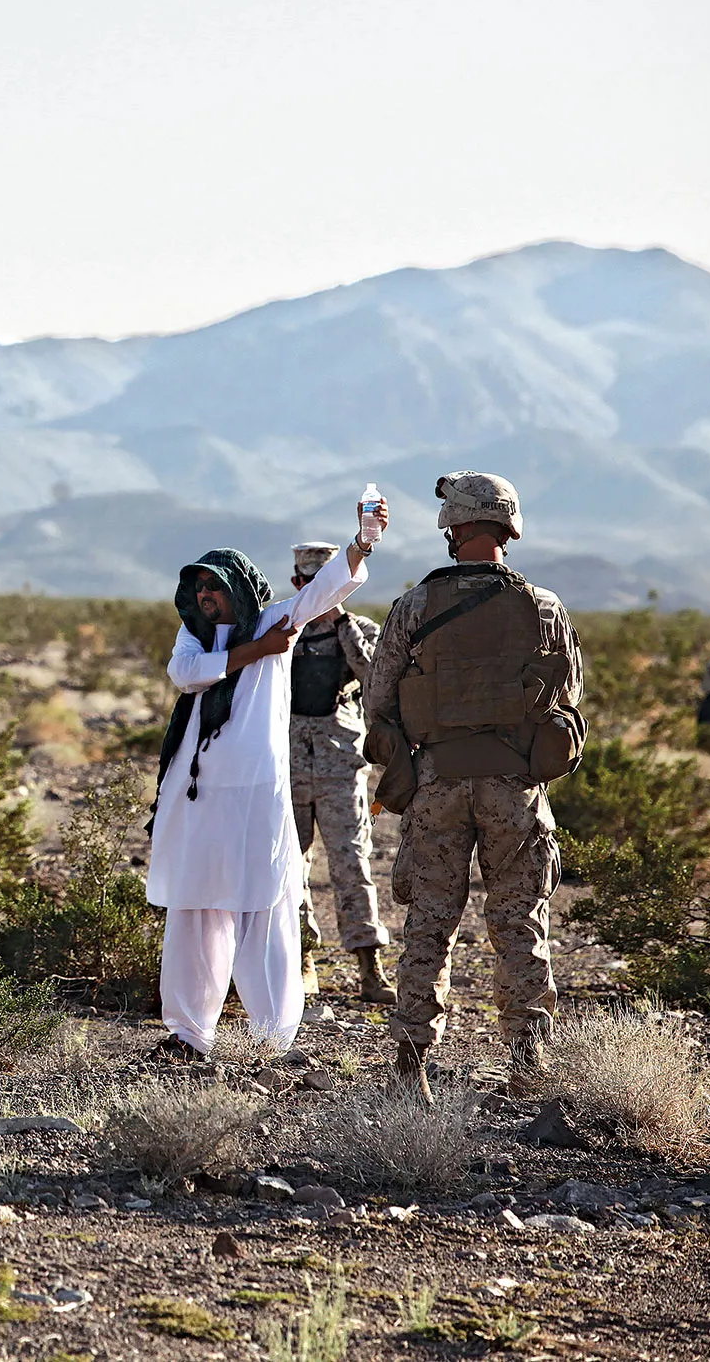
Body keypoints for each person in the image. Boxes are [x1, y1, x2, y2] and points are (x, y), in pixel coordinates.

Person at [361, 472, 584, 1101]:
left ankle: (410, 1066)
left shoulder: (413, 607)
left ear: (452, 526)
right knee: (520, 921)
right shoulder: (544, 607)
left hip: (437, 784)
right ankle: (527, 1061)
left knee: (430, 922)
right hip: (514, 789)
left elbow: (379, 704)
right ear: (509, 526)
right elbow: (568, 701)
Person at [147, 498, 386, 1060]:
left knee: (265, 907)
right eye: (198, 587)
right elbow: (185, 676)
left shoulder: (279, 618)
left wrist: (364, 540)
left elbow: (326, 589)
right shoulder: (196, 638)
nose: (206, 596)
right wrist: (254, 651)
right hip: (198, 792)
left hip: (258, 793)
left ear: (239, 586)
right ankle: (187, 1035)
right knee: (195, 908)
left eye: (215, 586)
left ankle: (274, 1037)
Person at [285, 540, 393, 1005]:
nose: (319, 592)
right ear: (297, 584)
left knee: (352, 863)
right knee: (289, 867)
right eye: (311, 584)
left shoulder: (359, 628)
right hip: (287, 759)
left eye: (328, 584)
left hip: (339, 761)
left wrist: (341, 623)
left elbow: (374, 676)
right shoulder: (282, 627)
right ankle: (302, 960)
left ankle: (370, 967)